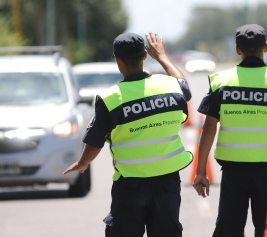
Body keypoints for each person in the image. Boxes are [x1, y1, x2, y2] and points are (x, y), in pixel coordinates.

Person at [63, 32, 193, 237]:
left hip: (131, 185)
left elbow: (95, 141)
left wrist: (83, 162)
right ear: (145, 56)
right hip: (167, 183)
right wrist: (162, 57)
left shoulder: (111, 99)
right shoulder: (171, 87)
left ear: (117, 59)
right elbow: (184, 86)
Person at [192, 24, 267, 237]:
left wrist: (200, 171)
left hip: (233, 172)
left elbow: (209, 129)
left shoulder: (221, 82)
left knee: (229, 229)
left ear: (238, 50)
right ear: (265, 47)